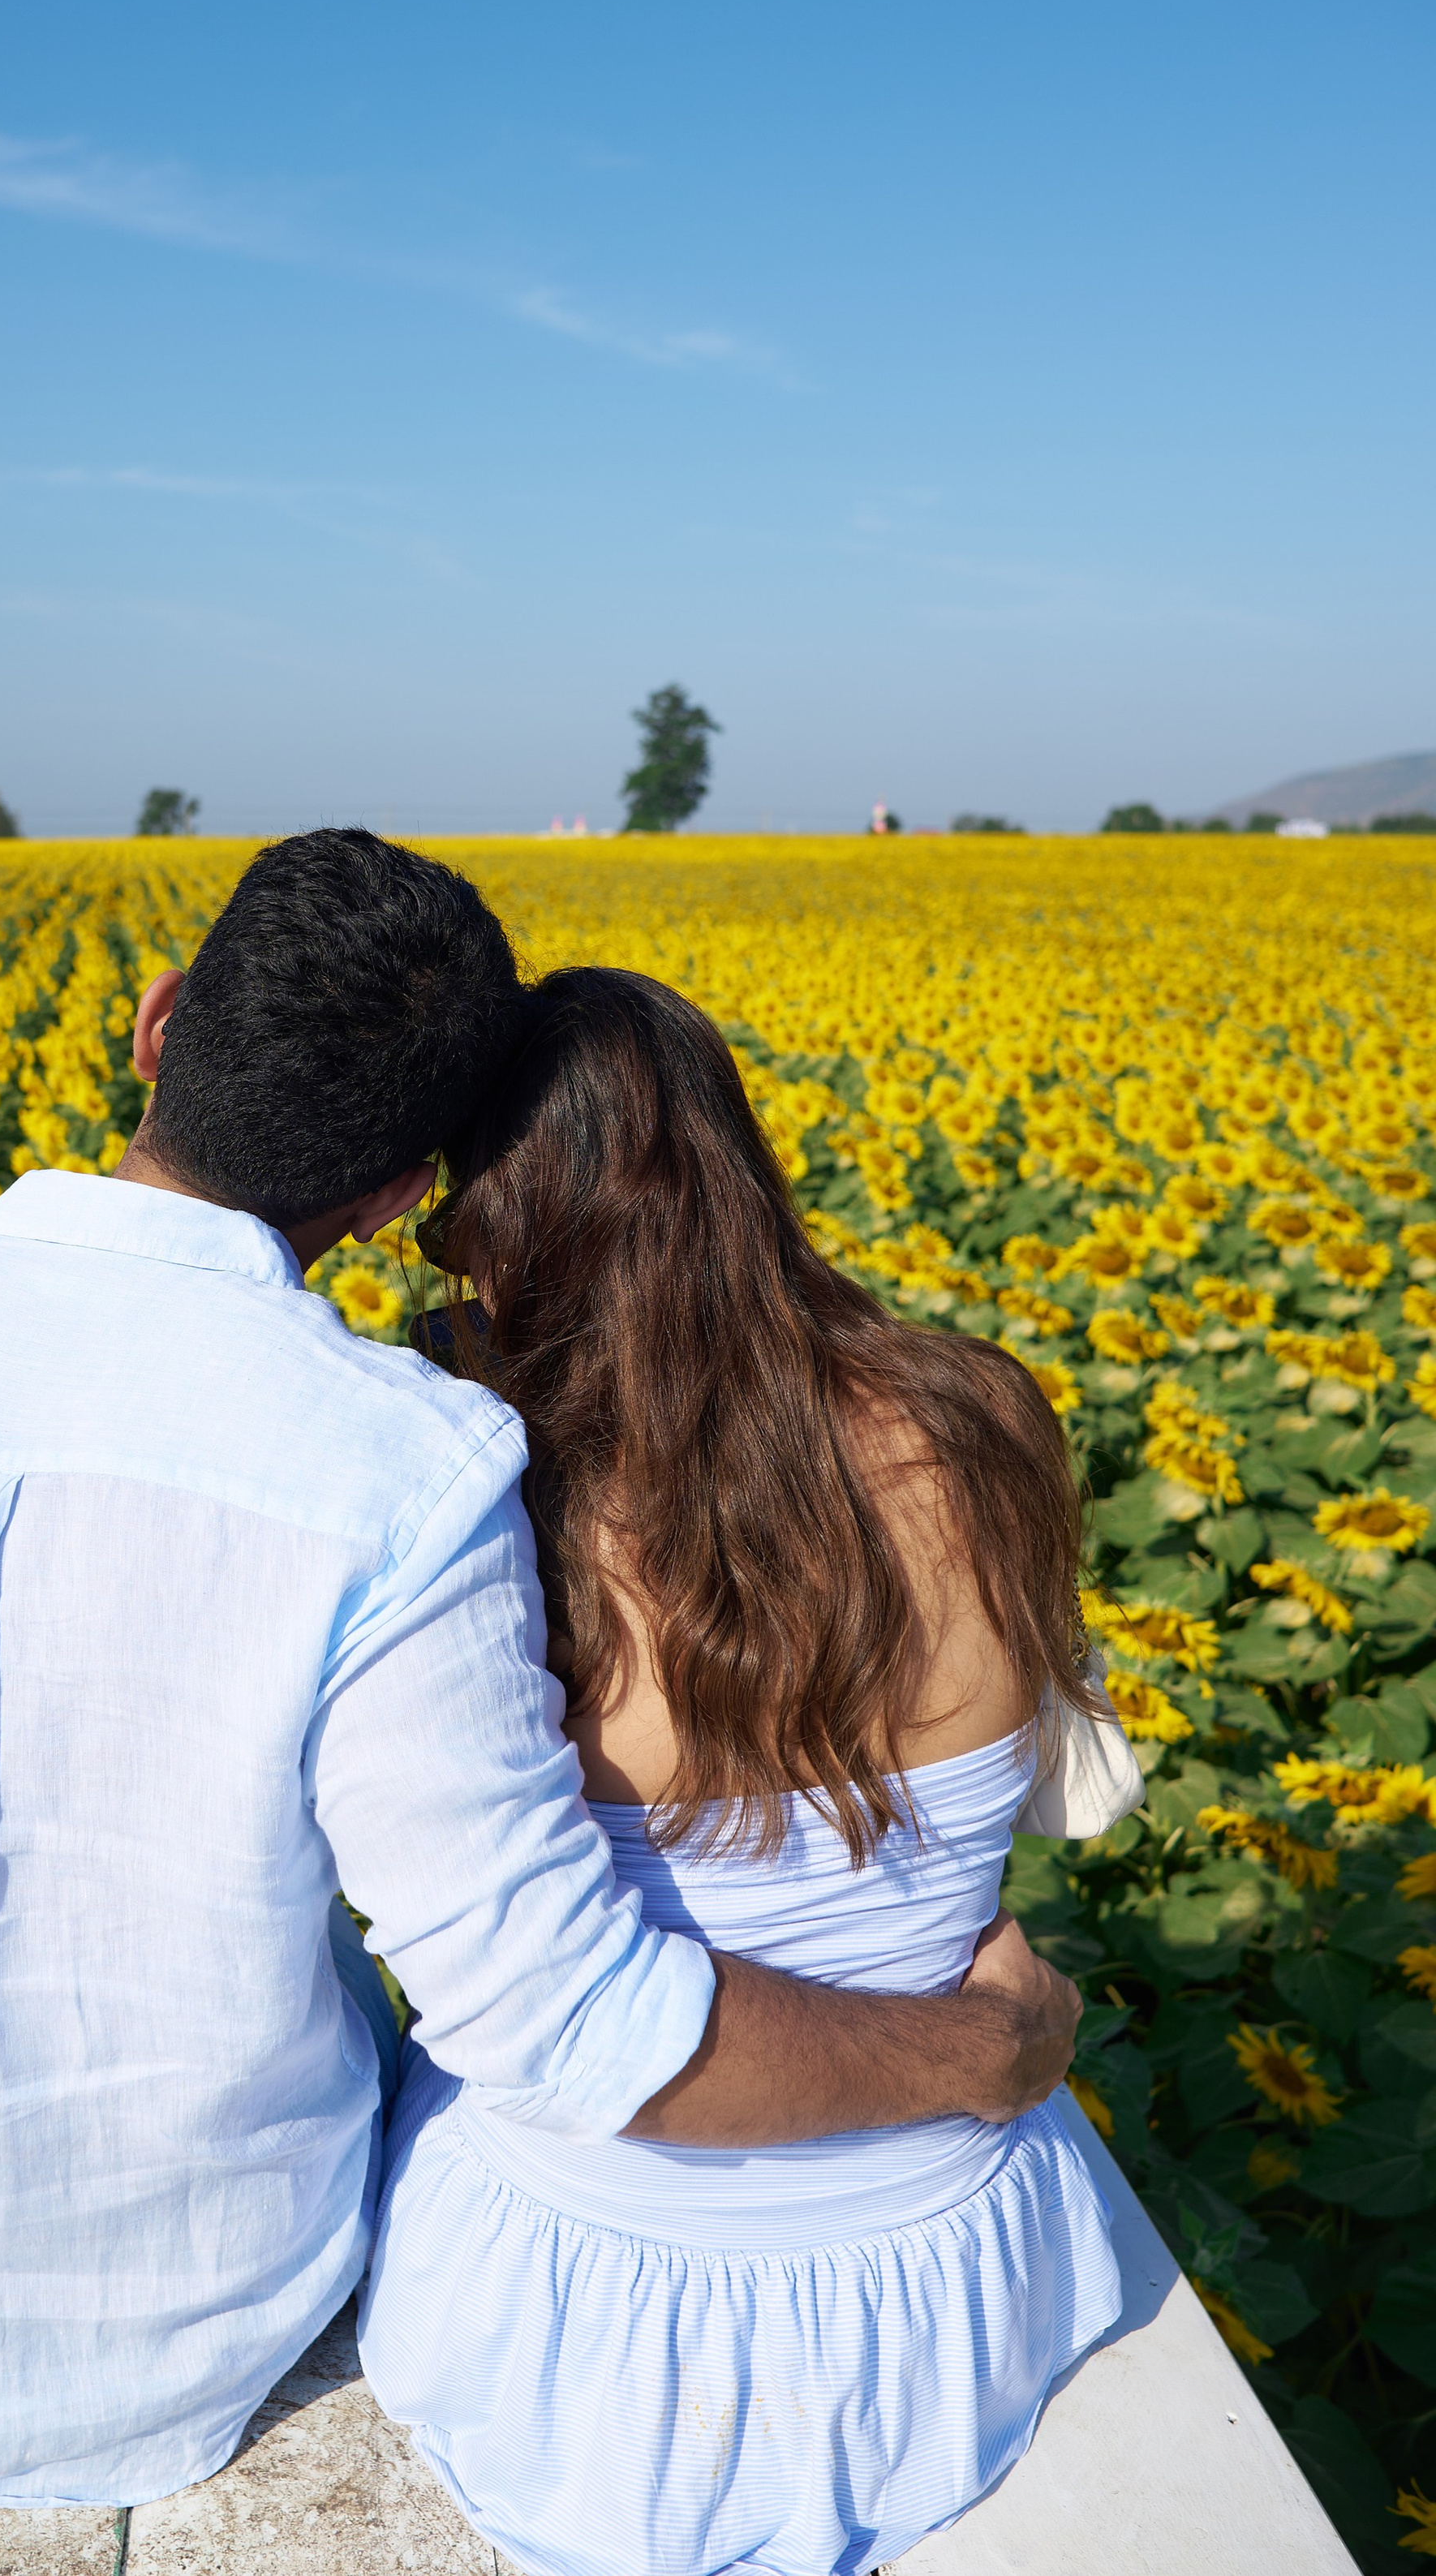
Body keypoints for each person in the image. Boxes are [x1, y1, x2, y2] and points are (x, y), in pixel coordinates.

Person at [0, 834, 1080, 2519]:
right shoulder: (402, 1470)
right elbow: (560, 2022)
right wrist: (975, 2054)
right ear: (392, 1202)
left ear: (159, 1022)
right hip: (157, 2337)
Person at [361, 965, 1127, 2576]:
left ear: (494, 1227)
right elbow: (1050, 1778)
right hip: (948, 2280)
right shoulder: (983, 1418)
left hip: (581, 2324)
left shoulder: (486, 1490)